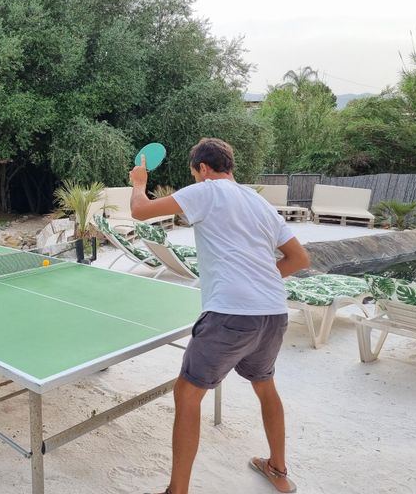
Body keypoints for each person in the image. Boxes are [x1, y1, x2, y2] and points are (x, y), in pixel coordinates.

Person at [130, 138, 310, 494]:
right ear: (230, 167)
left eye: (195, 174)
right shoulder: (258, 202)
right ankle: (278, 468)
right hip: (272, 313)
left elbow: (140, 211)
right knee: (265, 385)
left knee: (187, 394)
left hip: (230, 313)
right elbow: (299, 259)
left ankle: (176, 491)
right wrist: (257, 280)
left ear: (204, 169)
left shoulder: (208, 190)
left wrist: (138, 181)